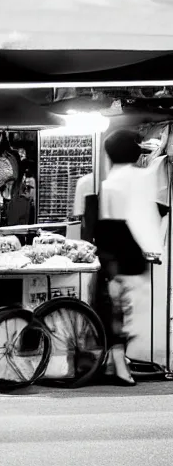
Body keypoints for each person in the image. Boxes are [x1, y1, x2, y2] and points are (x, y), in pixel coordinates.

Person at [94, 128, 163, 386]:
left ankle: (118, 362)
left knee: (118, 313)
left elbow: (107, 225)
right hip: (130, 257)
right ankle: (120, 365)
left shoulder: (110, 181)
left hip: (112, 257)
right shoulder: (139, 178)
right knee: (130, 313)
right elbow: (146, 216)